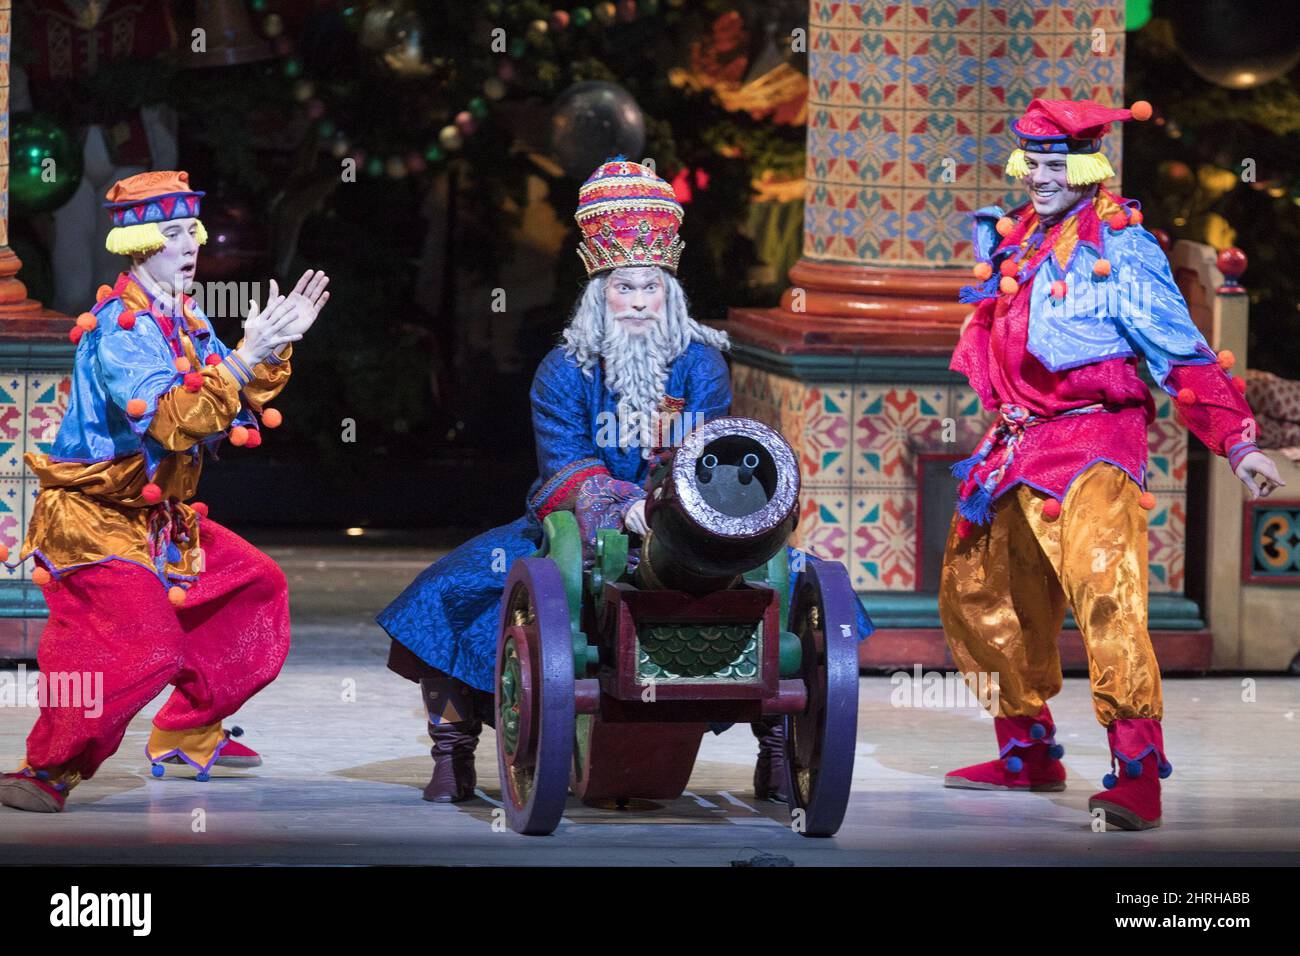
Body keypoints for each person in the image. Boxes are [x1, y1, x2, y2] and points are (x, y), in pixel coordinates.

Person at [380, 157, 871, 805]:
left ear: (670, 292)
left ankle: (779, 750)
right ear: (599, 292)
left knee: (798, 592)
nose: (639, 302)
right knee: (448, 592)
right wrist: (621, 508)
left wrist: (672, 511)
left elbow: (710, 453)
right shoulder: (563, 371)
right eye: (624, 287)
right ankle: (454, 753)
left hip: (690, 531)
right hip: (579, 529)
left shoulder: (700, 365)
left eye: (651, 288)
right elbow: (564, 466)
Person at [939, 99, 1284, 830]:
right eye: (1030, 160)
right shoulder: (1022, 235)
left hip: (1094, 436)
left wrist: (1240, 443)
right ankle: (1027, 751)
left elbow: (1180, 351)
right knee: (982, 586)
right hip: (1017, 438)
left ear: (1089, 165)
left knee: (1105, 593)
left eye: (1053, 162)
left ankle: (1136, 771)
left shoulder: (1118, 246)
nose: (1038, 175)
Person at [0, 171, 330, 812]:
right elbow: (175, 419)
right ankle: (44, 768)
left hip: (159, 519)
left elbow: (231, 411)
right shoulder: (121, 328)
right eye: (174, 234)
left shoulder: (181, 315)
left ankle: (186, 727)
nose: (190, 246)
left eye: (192, 232)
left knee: (255, 586)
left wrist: (270, 349)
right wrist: (243, 355)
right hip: (93, 520)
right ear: (141, 244)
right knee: (144, 648)